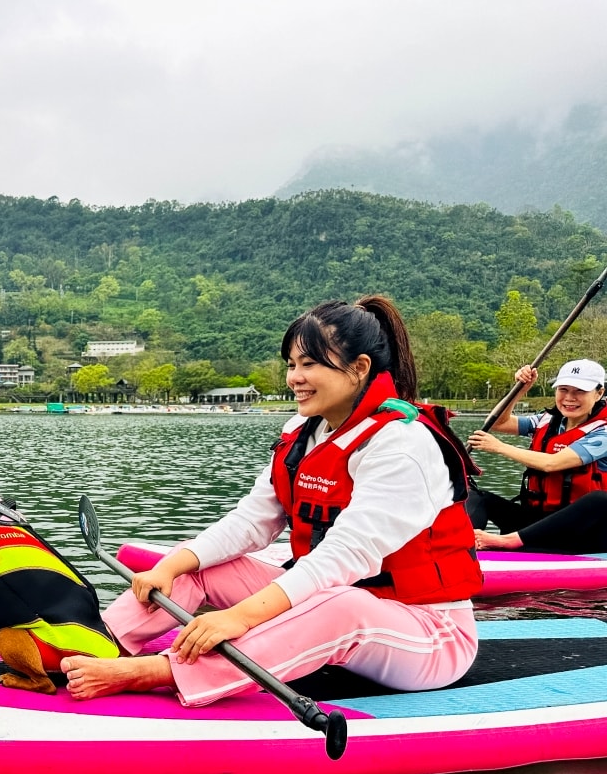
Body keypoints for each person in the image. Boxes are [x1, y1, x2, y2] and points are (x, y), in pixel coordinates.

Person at [61, 296, 482, 706]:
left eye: (310, 364)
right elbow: (250, 523)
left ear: (359, 368)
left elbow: (345, 555)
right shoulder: (303, 431)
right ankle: (93, 642)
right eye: (292, 364)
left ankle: (159, 672)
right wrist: (172, 563)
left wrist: (239, 617)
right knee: (199, 566)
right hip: (324, 603)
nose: (294, 378)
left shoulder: (403, 444)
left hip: (428, 632)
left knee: (343, 602)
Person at [465, 359, 607, 552]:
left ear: (599, 393)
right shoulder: (546, 420)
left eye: (579, 391)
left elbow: (552, 463)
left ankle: (508, 541)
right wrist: (520, 389)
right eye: (563, 389)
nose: (569, 398)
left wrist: (499, 447)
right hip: (537, 524)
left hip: (579, 532)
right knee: (476, 496)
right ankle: (465, 546)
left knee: (600, 500)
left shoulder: (603, 431)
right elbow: (498, 423)